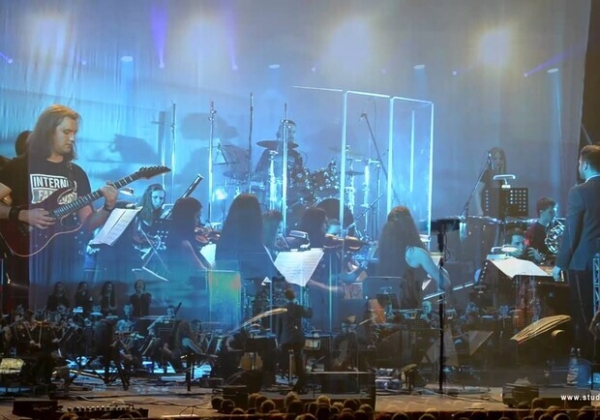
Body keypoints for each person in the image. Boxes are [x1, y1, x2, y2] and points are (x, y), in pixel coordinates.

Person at [0, 105, 118, 310]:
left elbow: (88, 223)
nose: (72, 138)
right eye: (66, 132)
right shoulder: (20, 166)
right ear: (48, 131)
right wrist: (21, 214)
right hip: (28, 255)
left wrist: (108, 207)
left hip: (66, 258)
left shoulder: (76, 173)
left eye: (74, 133)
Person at [553, 144, 600, 360]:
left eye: (580, 163)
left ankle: (590, 362)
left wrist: (560, 264)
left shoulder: (579, 192)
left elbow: (572, 232)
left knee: (585, 316)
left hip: (584, 264)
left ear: (586, 165)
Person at [215, 194, 286, 319]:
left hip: (225, 304)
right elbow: (274, 275)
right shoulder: (253, 244)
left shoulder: (223, 241)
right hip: (248, 307)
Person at [377, 206, 450, 309]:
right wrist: (439, 269)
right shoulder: (415, 253)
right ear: (410, 227)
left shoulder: (382, 252)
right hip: (413, 311)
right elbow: (445, 283)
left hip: (388, 311)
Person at [276, 289, 312, 392]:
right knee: (298, 358)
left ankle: (284, 374)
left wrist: (279, 340)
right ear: (294, 296)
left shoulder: (281, 309)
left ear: (285, 297)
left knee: (284, 357)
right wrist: (310, 305)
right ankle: (301, 376)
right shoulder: (298, 307)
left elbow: (278, 327)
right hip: (297, 338)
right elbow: (309, 315)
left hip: (285, 338)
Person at [474, 147, 507, 217]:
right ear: (490, 160)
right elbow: (477, 192)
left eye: (501, 158)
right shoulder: (486, 174)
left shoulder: (502, 177)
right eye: (495, 159)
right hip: (487, 214)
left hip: (499, 214)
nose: (498, 161)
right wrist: (480, 211)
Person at [526, 197, 559, 263]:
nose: (554, 215)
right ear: (541, 212)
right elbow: (530, 253)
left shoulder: (557, 227)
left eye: (555, 212)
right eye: (551, 212)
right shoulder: (532, 232)